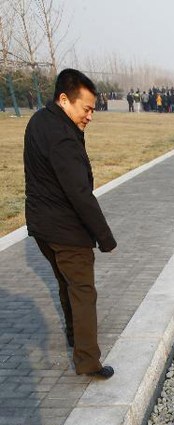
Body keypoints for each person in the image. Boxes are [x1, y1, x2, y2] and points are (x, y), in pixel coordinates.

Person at [23, 68, 117, 378]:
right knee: (83, 292)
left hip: (42, 227)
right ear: (64, 100)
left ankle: (75, 339)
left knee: (66, 284)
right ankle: (88, 361)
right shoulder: (63, 137)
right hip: (66, 229)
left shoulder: (39, 120)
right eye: (87, 108)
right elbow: (79, 193)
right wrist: (105, 237)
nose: (90, 116)